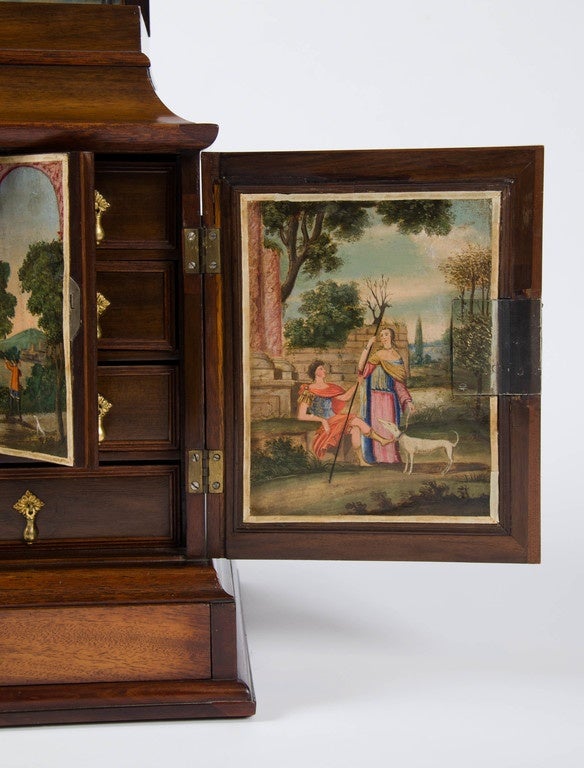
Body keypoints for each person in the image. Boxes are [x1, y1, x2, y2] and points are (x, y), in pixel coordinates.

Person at [297, 359, 390, 466]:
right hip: (327, 422)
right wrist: (322, 420)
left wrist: (357, 384)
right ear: (315, 372)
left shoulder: (330, 387)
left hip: (335, 420)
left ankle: (361, 460)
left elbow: (345, 397)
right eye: (321, 369)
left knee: (355, 429)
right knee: (356, 420)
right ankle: (381, 440)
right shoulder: (308, 390)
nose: (324, 370)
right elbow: (301, 415)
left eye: (323, 368)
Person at [358, 326, 413, 464]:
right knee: (376, 427)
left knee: (389, 428)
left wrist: (408, 401)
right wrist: (368, 345)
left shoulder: (397, 357)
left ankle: (390, 458)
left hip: (389, 399)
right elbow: (361, 369)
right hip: (375, 398)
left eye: (386, 334)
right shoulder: (378, 354)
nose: (383, 337)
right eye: (381, 335)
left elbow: (400, 384)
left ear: (392, 337)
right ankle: (377, 459)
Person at [4, 354, 22, 422]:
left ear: (16, 363)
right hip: (15, 387)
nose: (13, 363)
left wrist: (6, 361)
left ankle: (15, 415)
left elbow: (9, 367)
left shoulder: (15, 369)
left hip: (14, 387)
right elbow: (20, 374)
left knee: (13, 401)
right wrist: (7, 361)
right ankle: (17, 416)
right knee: (16, 402)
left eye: (14, 362)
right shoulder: (16, 369)